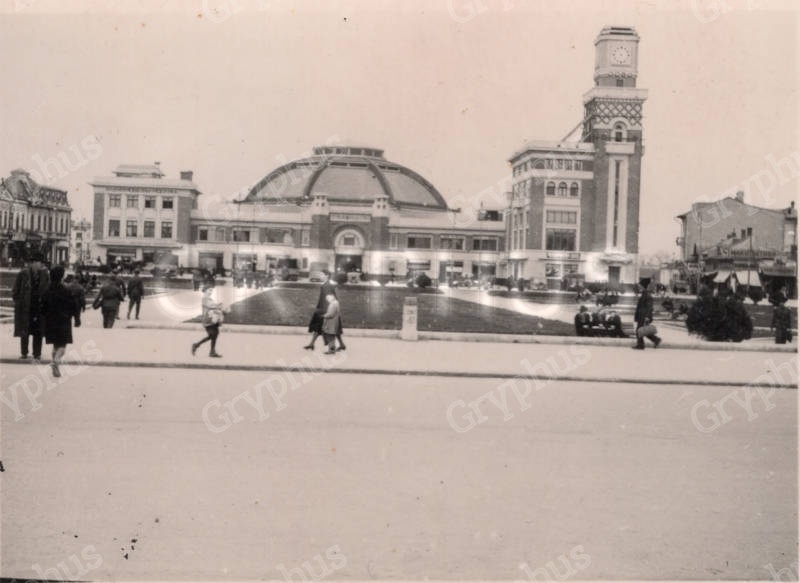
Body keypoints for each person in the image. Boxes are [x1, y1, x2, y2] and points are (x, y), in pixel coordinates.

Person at [42, 266, 81, 378]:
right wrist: (76, 318)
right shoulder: (66, 290)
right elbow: (74, 306)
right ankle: (56, 361)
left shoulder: (47, 290)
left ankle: (56, 366)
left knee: (55, 345)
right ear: (61, 276)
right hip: (63, 320)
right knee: (62, 346)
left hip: (50, 320)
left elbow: (43, 307)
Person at [12, 252, 51, 361]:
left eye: (41, 263)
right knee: (25, 331)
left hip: (39, 308)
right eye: (39, 263)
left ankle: (37, 354)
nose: (41, 265)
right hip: (26, 308)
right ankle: (24, 352)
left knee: (38, 331)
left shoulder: (45, 274)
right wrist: (19, 303)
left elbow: (47, 290)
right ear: (32, 263)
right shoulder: (23, 274)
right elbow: (15, 291)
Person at [305, 270, 345, 350]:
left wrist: (325, 311)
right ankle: (312, 344)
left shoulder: (326, 285)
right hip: (325, 308)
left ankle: (335, 346)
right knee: (322, 327)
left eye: (321, 274)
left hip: (326, 310)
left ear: (327, 276)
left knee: (326, 328)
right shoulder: (326, 284)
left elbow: (328, 299)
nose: (320, 276)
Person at [192, 286, 224, 358]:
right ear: (205, 290)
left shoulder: (209, 298)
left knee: (214, 335)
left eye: (212, 290)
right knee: (213, 335)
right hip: (208, 320)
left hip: (212, 319)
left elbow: (214, 306)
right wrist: (219, 305)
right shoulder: (205, 298)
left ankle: (211, 351)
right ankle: (197, 345)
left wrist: (219, 306)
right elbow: (211, 306)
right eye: (209, 290)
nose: (211, 292)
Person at [634, 278, 662, 349]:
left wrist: (647, 317)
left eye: (640, 286)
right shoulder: (644, 294)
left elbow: (649, 307)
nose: (639, 287)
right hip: (641, 315)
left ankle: (641, 345)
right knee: (643, 330)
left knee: (639, 330)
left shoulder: (647, 295)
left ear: (643, 286)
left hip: (644, 316)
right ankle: (656, 340)